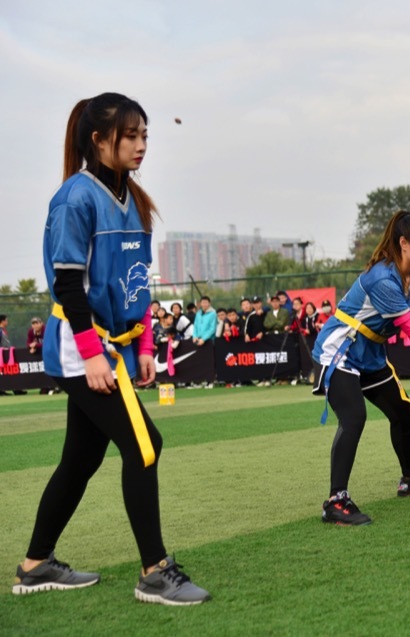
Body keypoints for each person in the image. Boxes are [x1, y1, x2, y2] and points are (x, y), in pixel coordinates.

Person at [14, 93, 208, 604]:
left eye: (146, 135)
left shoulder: (135, 200)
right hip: (81, 346)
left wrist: (144, 344)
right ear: (99, 140)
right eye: (131, 135)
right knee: (145, 445)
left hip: (115, 346)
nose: (142, 145)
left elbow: (138, 283)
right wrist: (94, 353)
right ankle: (155, 571)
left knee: (80, 458)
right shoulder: (75, 198)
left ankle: (35, 564)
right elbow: (69, 286)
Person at [311, 210, 410, 526]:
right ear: (404, 243)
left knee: (403, 410)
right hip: (341, 349)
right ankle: (336, 502)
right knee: (354, 416)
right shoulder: (381, 277)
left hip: (371, 352)